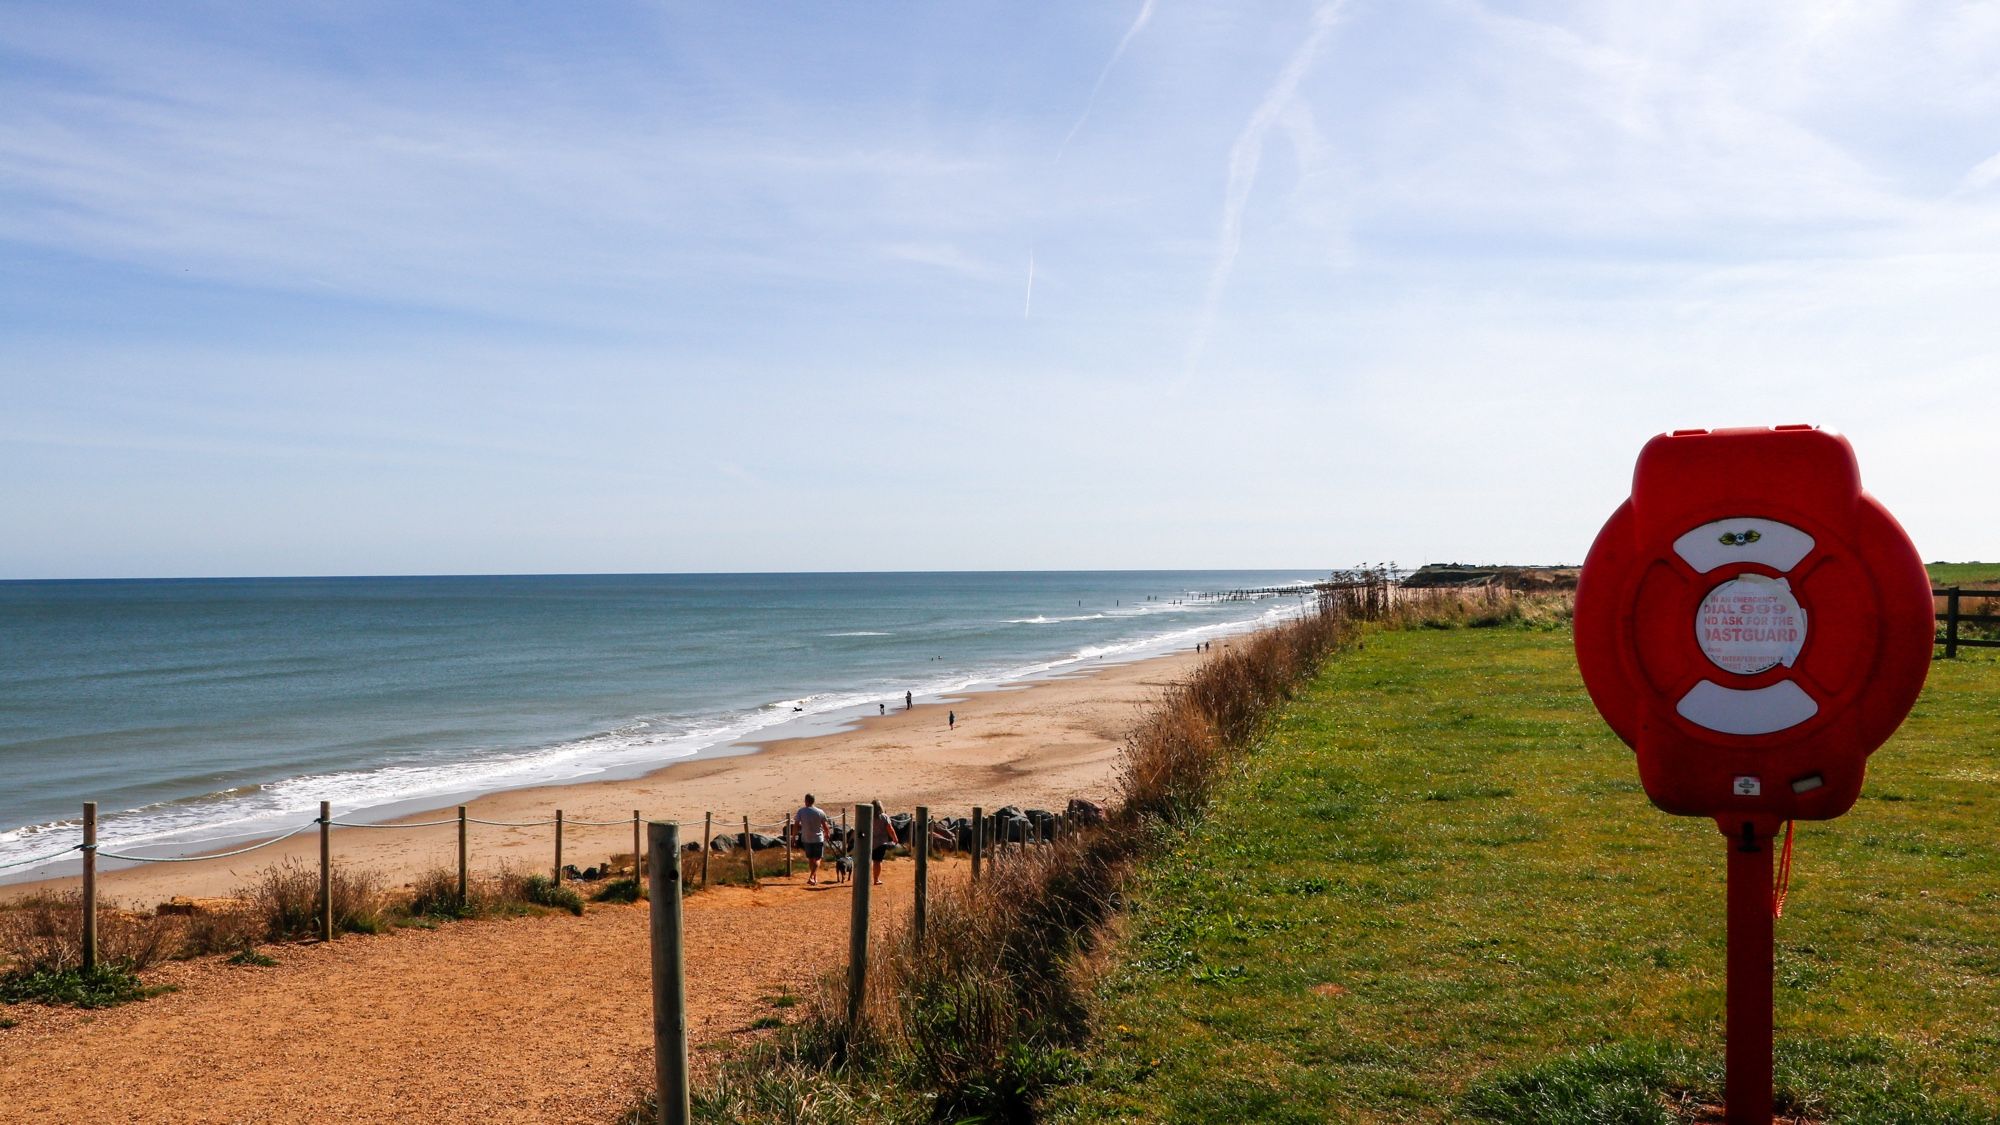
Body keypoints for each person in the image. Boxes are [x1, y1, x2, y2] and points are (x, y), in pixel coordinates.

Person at [792, 794, 832, 886]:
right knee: (817, 859)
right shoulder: (819, 811)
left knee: (811, 859)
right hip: (818, 838)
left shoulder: (801, 811)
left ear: (806, 801)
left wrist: (794, 837)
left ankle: (813, 877)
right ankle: (812, 877)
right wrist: (827, 834)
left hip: (806, 839)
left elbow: (796, 825)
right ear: (813, 801)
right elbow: (825, 825)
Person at [869, 800, 899, 886]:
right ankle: (876, 879)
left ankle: (865, 878)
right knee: (877, 862)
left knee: (867, 861)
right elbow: (890, 829)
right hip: (881, 843)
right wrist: (895, 838)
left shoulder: (868, 816)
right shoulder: (884, 817)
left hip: (869, 842)